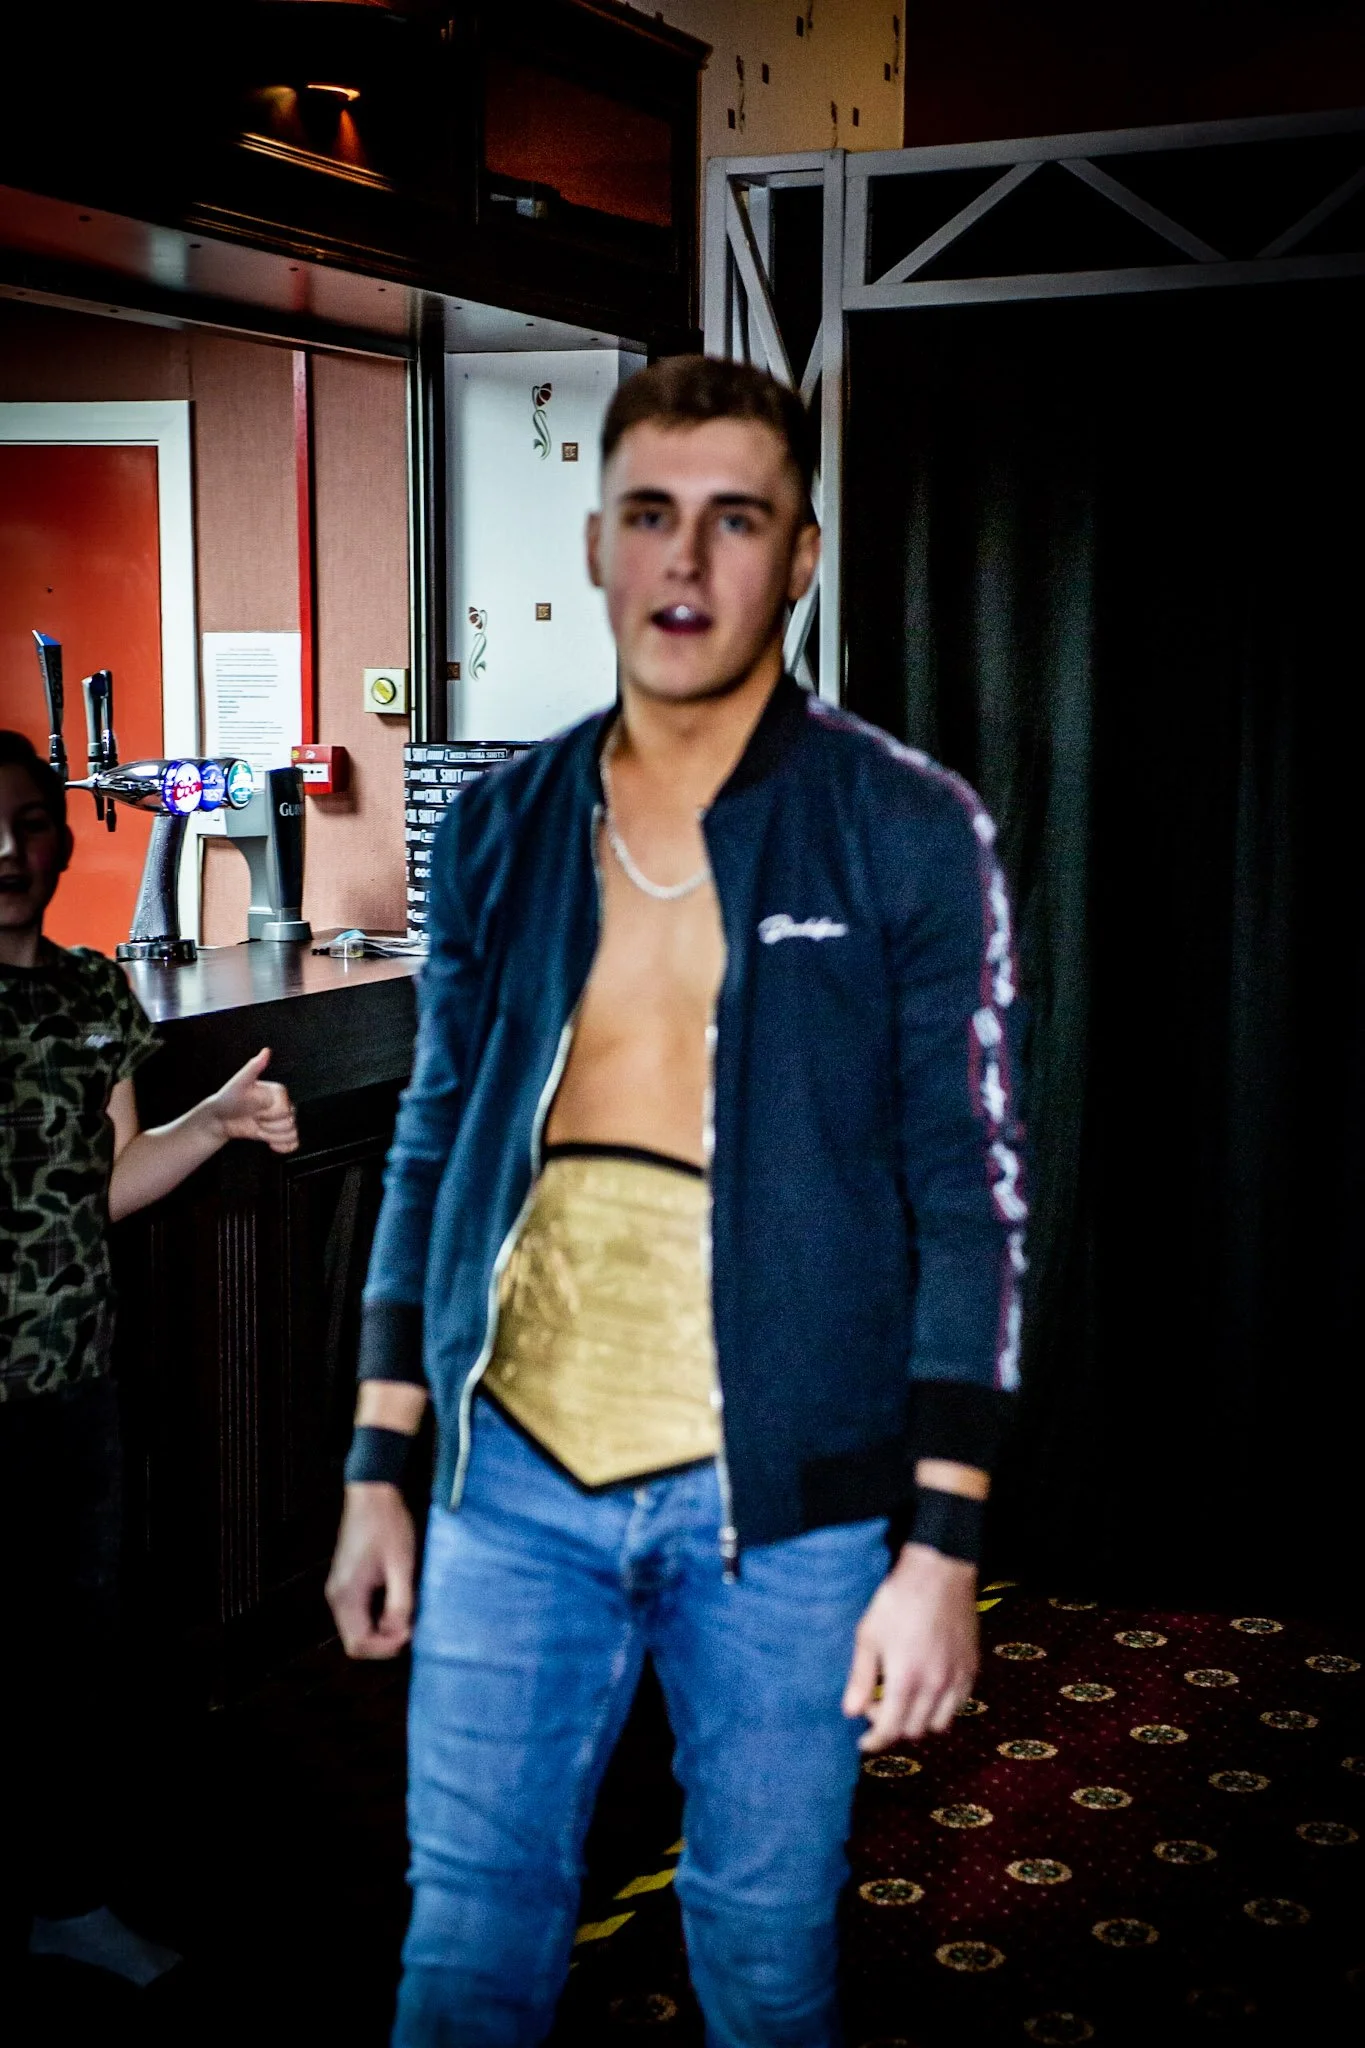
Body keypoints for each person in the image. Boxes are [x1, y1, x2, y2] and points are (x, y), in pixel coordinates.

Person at [326, 355, 1027, 2048]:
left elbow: (970, 1191)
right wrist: (377, 1464)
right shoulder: (502, 827)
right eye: (651, 513)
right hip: (511, 1478)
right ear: (596, 541)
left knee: (765, 1957)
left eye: (736, 519)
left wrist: (942, 1544)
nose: (687, 561)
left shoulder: (902, 826)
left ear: (801, 555)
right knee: (465, 1948)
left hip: (784, 1496)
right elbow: (435, 1143)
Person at [0, 729, 299, 1987]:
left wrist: (216, 1120)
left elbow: (112, 1180)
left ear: (63, 842)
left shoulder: (89, 995)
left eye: (29, 822)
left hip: (72, 1385)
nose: (6, 848)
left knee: (73, 1652)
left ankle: (66, 1899)